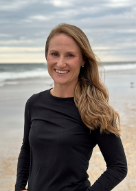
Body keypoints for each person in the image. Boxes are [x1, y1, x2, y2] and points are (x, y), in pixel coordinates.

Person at [15, 23, 127, 191]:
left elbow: (118, 167)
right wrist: (19, 187)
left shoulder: (94, 109)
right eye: (55, 54)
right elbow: (27, 149)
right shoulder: (34, 103)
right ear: (46, 56)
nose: (60, 63)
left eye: (69, 55)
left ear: (83, 59)